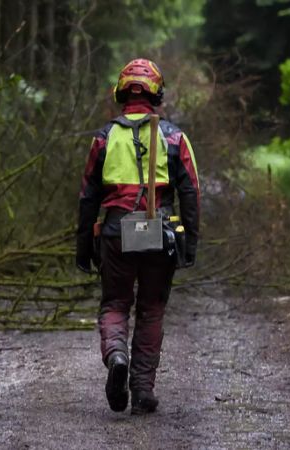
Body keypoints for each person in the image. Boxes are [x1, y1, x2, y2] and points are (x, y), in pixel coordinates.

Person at [75, 58, 200, 415]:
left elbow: (88, 196)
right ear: (157, 93)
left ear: (120, 93)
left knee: (115, 303)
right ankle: (142, 388)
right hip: (159, 232)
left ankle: (116, 356)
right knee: (152, 308)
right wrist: (190, 241)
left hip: (114, 232)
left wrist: (83, 247)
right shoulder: (175, 136)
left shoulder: (103, 138)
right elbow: (191, 192)